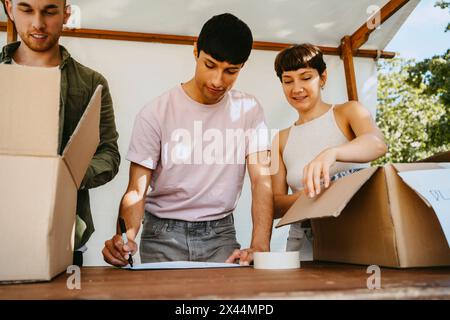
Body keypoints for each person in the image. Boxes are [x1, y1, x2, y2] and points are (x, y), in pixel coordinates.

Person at [102, 13, 274, 267]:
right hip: (162, 236)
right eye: (210, 65)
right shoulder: (155, 113)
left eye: (231, 71)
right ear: (195, 50)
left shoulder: (249, 109)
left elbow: (261, 180)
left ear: (243, 66)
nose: (218, 80)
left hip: (221, 235)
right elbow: (137, 190)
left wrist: (260, 245)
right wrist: (125, 237)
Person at [1, 0, 121, 266]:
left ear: (67, 12)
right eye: (26, 9)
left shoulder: (91, 83)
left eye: (50, 11)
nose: (38, 23)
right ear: (9, 8)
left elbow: (109, 155)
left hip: (65, 237)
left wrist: (69, 175)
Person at [270, 44, 387, 256]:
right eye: (288, 81)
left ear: (322, 77)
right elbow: (275, 206)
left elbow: (378, 144)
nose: (296, 89)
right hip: (303, 237)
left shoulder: (348, 111)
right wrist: (316, 193)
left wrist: (332, 153)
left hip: (355, 229)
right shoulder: (280, 139)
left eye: (306, 77)